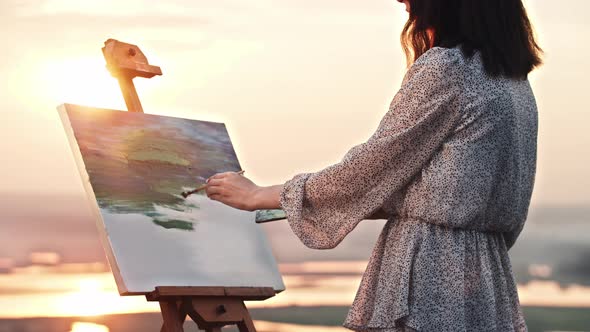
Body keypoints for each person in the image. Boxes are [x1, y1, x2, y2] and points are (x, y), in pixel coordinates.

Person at [204, 0, 542, 330]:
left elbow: (367, 170)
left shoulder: (447, 68)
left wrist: (259, 195)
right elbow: (432, 185)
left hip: (431, 267)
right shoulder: (514, 84)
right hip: (489, 276)